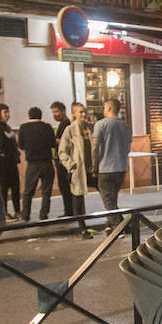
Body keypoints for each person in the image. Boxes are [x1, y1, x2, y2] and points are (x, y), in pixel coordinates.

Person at [92, 98, 132, 234]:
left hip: (105, 167)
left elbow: (95, 147)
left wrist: (94, 166)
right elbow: (128, 145)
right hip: (120, 167)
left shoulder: (101, 124)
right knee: (112, 198)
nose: (103, 110)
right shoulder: (126, 126)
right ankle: (110, 225)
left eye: (104, 107)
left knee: (108, 201)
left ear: (109, 108)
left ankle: (118, 228)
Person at [58, 102, 95, 238]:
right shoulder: (70, 130)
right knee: (78, 197)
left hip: (91, 168)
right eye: (80, 112)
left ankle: (113, 221)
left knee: (104, 191)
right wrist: (70, 165)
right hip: (78, 168)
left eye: (84, 111)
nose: (83, 114)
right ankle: (82, 227)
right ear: (74, 114)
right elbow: (62, 151)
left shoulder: (90, 128)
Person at [17, 106, 57, 222]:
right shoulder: (47, 127)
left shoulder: (24, 128)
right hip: (47, 162)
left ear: (29, 116)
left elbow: (21, 146)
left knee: (28, 191)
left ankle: (25, 215)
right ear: (40, 115)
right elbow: (53, 144)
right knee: (46, 191)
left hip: (32, 164)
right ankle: (43, 215)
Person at [51, 101, 74, 217]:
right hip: (59, 159)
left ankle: (69, 211)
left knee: (65, 186)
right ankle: (68, 210)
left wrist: (53, 140)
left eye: (56, 112)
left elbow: (65, 140)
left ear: (63, 111)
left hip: (63, 161)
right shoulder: (62, 124)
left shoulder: (66, 124)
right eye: (53, 112)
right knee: (63, 187)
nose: (55, 115)